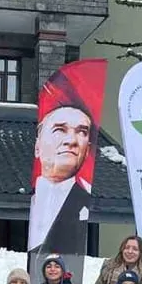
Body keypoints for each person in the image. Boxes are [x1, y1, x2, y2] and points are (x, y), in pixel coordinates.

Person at [26, 86, 94, 270]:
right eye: (59, 130)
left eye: (82, 132)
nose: (71, 140)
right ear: (37, 146)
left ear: (87, 150)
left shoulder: (86, 202)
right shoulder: (23, 197)